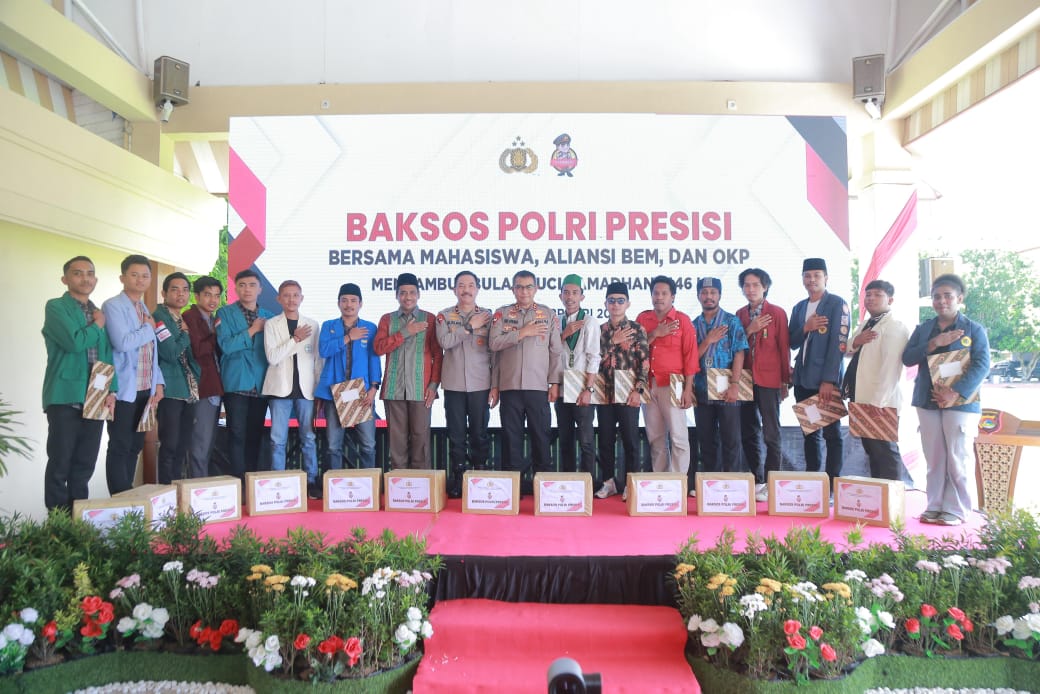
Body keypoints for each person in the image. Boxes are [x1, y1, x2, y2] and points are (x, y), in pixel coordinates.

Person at [902, 274, 989, 526]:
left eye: (948, 296)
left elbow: (982, 365)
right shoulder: (923, 329)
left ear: (959, 298)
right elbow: (907, 358)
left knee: (958, 456)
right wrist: (933, 344)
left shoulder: (974, 329)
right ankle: (934, 505)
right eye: (937, 297)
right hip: (927, 400)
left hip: (961, 403)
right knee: (934, 458)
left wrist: (955, 392)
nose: (942, 301)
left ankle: (957, 509)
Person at [41, 256, 117, 512]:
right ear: (65, 279)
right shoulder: (56, 307)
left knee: (84, 465)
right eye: (78, 273)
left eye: (90, 273)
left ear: (95, 279)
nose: (85, 278)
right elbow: (74, 342)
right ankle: (58, 523)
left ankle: (79, 520)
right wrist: (98, 325)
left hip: (96, 397)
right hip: (65, 395)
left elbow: (106, 354)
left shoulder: (97, 312)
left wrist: (112, 391)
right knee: (60, 463)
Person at [490, 270, 563, 493]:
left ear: (536, 289)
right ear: (513, 289)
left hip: (538, 387)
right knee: (511, 439)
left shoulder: (548, 314)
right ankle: (513, 491)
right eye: (519, 287)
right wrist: (522, 333)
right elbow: (494, 345)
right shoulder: (502, 314)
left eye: (528, 286)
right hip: (509, 387)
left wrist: (555, 383)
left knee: (541, 437)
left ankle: (544, 490)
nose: (524, 291)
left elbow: (556, 352)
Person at [102, 254, 164, 495]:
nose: (140, 280)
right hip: (123, 388)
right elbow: (123, 343)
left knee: (135, 445)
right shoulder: (113, 306)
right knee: (120, 444)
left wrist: (158, 382)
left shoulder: (143, 307)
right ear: (122, 277)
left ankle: (128, 494)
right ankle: (119, 497)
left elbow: (150, 351)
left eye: (145, 276)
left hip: (145, 388)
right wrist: (149, 328)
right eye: (134, 275)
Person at [436, 271, 498, 498]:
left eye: (471, 285)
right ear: (454, 289)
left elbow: (495, 353)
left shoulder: (489, 317)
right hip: (454, 384)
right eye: (461, 285)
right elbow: (445, 341)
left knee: (480, 433)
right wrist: (469, 327)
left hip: (481, 383)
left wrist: (495, 385)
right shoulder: (444, 316)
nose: (466, 290)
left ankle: (479, 474)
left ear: (477, 289)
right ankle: (458, 476)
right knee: (456, 434)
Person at [842, 280, 911, 481]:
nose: (871, 299)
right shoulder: (867, 323)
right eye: (868, 295)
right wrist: (857, 340)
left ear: (890, 300)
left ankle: (893, 495)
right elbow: (847, 348)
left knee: (885, 451)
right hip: (861, 397)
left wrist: (877, 403)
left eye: (877, 295)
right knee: (872, 451)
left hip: (880, 402)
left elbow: (891, 369)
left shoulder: (895, 327)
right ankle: (879, 493)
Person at [789, 257, 850, 482]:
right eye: (807, 276)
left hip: (824, 381)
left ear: (826, 278)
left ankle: (833, 483)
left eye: (816, 275)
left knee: (832, 434)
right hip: (803, 379)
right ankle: (813, 481)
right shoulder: (799, 307)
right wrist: (806, 327)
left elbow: (838, 344)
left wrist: (829, 380)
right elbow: (792, 341)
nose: (811, 279)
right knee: (810, 432)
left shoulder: (837, 304)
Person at [373, 273, 442, 469]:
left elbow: (438, 354)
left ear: (418, 294)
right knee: (397, 441)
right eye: (403, 293)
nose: (408, 297)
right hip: (394, 389)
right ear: (397, 295)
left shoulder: (429, 319)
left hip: (421, 390)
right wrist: (405, 332)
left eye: (412, 292)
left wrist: (433, 385)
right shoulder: (387, 319)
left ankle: (422, 483)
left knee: (421, 439)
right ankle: (399, 483)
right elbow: (378, 348)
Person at [636, 276, 698, 490]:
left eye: (664, 293)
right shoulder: (643, 319)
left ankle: (678, 483)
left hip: (674, 384)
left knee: (679, 437)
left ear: (673, 296)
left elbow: (691, 357)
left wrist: (688, 389)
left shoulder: (683, 320)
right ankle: (661, 484)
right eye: (656, 293)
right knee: (655, 437)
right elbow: (635, 350)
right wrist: (655, 334)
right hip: (647, 384)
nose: (659, 297)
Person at [736, 268, 791, 502]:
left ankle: (772, 481)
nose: (751, 289)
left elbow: (784, 348)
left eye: (755, 285)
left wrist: (785, 380)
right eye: (746, 285)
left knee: (771, 433)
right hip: (745, 380)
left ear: (765, 287)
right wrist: (751, 329)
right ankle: (757, 478)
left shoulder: (777, 313)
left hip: (770, 379)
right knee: (748, 431)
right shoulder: (740, 314)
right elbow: (735, 345)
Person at [263, 280, 320, 497]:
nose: (291, 299)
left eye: (295, 295)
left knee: (309, 438)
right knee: (277, 439)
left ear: (301, 298)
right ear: (279, 299)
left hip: (306, 390)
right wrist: (295, 339)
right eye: (286, 295)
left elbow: (317, 361)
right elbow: (273, 357)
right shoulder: (271, 324)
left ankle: (312, 481)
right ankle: (278, 482)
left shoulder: (312, 325)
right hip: (279, 389)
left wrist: (318, 390)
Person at [316, 283, 381, 470]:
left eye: (353, 300)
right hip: (334, 392)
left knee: (368, 444)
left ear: (361, 304)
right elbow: (324, 351)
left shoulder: (369, 328)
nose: (349, 304)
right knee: (333, 446)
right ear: (338, 303)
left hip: (361, 392)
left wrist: (374, 387)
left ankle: (370, 482)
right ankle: (335, 484)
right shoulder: (329, 326)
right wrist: (348, 337)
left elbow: (374, 360)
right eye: (344, 300)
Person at [594, 282, 649, 499]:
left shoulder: (637, 329)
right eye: (611, 300)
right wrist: (612, 342)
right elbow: (593, 360)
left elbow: (644, 363)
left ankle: (630, 483)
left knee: (631, 440)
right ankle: (609, 482)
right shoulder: (599, 330)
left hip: (628, 393)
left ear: (627, 304)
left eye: (620, 301)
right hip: (604, 393)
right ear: (605, 303)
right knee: (605, 440)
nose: (615, 305)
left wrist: (639, 390)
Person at [216, 269, 272, 479]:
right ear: (236, 288)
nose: (247, 289)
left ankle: (252, 481)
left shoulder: (270, 316)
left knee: (255, 434)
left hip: (261, 383)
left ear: (260, 289)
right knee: (236, 433)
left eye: (251, 285)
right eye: (242, 285)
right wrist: (253, 330)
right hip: (236, 381)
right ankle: (238, 480)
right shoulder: (224, 313)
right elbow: (226, 346)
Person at [692, 277, 748, 473]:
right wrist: (707, 341)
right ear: (698, 296)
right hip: (701, 389)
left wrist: (735, 384)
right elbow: (691, 359)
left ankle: (732, 483)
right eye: (704, 293)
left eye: (713, 292)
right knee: (706, 440)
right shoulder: (693, 325)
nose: (708, 296)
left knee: (731, 439)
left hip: (727, 388)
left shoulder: (732, 321)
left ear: (720, 295)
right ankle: (711, 483)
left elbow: (739, 353)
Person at [153, 272, 201, 484]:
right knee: (170, 444)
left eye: (185, 290)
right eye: (175, 289)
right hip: (170, 388)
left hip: (188, 389)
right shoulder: (159, 317)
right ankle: (166, 490)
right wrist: (186, 334)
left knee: (183, 445)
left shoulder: (182, 318)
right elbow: (170, 353)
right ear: (164, 293)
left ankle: (178, 489)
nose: (181, 294)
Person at [554, 274, 601, 476]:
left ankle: (586, 483)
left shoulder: (589, 322)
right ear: (560, 296)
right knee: (565, 440)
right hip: (562, 388)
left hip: (582, 389)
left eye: (575, 293)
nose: (570, 297)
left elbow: (594, 357)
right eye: (566, 293)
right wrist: (563, 335)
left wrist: (589, 389)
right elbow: (550, 353)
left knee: (586, 440)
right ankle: (568, 483)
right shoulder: (557, 322)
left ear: (582, 296)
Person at [181, 276, 225, 478]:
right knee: (200, 442)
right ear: (197, 296)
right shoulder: (190, 316)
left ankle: (202, 485)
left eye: (216, 295)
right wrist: (216, 333)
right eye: (207, 295)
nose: (213, 300)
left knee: (208, 442)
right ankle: (198, 487)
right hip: (201, 387)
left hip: (213, 386)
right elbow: (198, 350)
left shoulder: (211, 318)